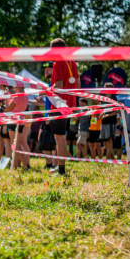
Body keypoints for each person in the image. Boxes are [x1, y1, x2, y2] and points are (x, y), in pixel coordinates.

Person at [48, 38, 79, 177]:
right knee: (59, 137)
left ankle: (61, 170)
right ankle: (59, 166)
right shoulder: (72, 62)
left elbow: (59, 84)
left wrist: (48, 90)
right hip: (69, 104)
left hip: (59, 104)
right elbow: (77, 85)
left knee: (60, 138)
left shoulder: (57, 62)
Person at [4, 86, 31, 169]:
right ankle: (25, 165)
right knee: (18, 145)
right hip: (21, 120)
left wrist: (6, 98)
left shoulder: (17, 96)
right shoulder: (26, 96)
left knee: (14, 145)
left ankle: (14, 165)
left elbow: (8, 109)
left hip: (14, 120)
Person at [99, 83, 119, 160]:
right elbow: (103, 109)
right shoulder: (104, 98)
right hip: (104, 121)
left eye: (105, 88)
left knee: (109, 141)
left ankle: (108, 159)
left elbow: (117, 111)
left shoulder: (114, 98)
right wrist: (102, 113)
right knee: (104, 142)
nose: (103, 89)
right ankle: (112, 158)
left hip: (111, 122)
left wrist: (107, 115)